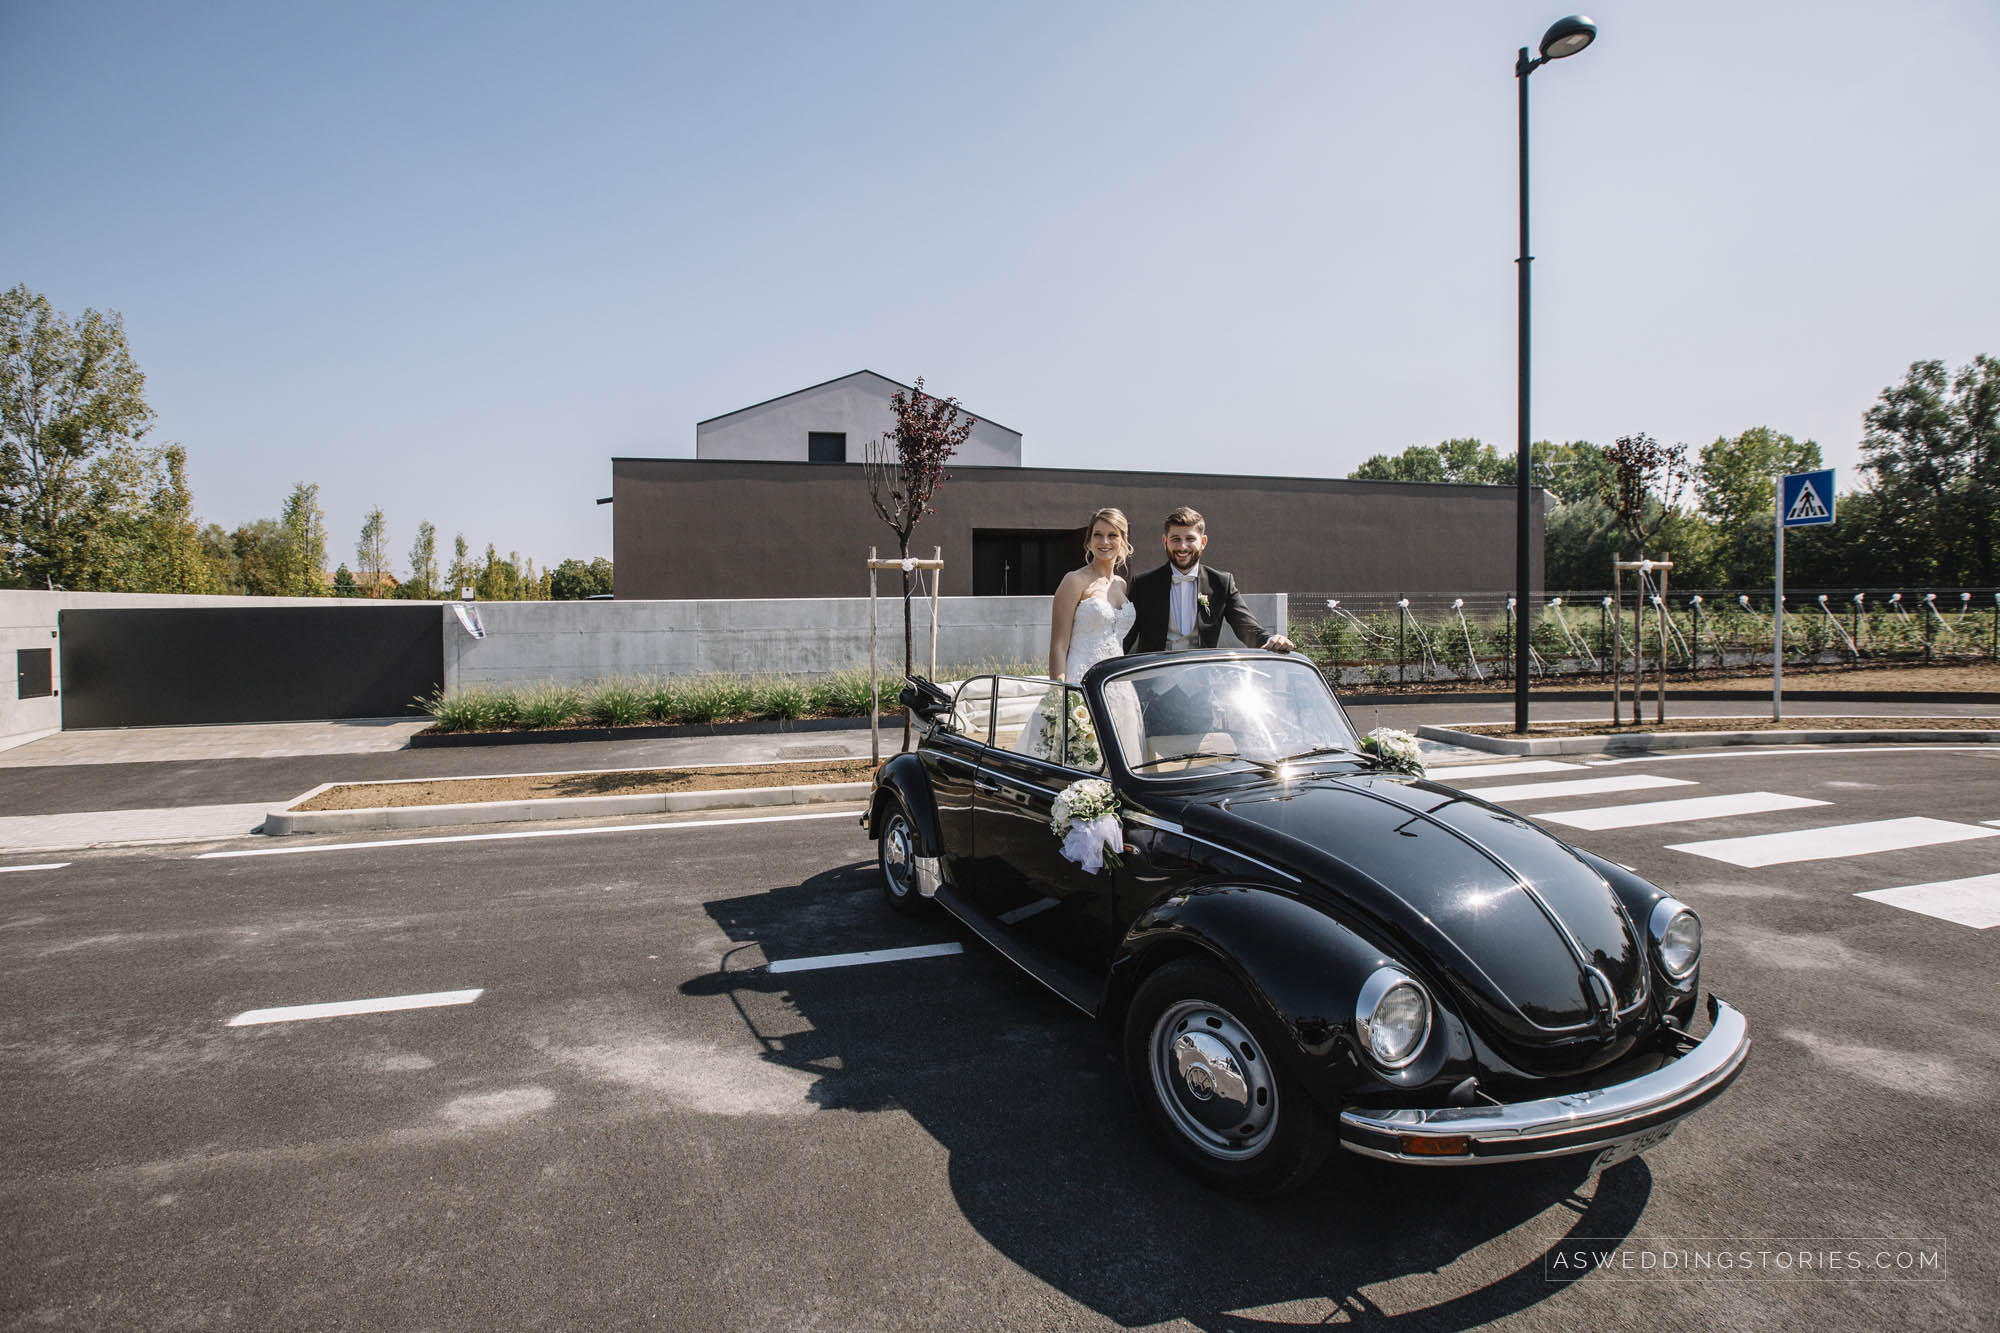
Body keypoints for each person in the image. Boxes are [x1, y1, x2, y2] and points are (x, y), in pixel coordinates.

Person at [1012, 508, 1141, 763]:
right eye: (1098, 535)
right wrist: (1061, 695)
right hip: (1080, 683)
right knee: (1079, 757)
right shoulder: (1074, 580)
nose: (1104, 542)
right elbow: (1059, 645)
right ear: (1089, 540)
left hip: (1117, 686)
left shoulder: (1121, 585)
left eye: (1112, 535)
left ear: (1123, 541)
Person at [1122, 506, 1295, 655]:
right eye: (1176, 539)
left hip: (1202, 682)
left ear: (1203, 542)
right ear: (1164, 541)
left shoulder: (1221, 583)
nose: (1182, 547)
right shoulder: (1143, 585)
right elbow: (1126, 638)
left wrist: (1272, 640)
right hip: (1153, 682)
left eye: (1190, 539)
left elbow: (1247, 627)